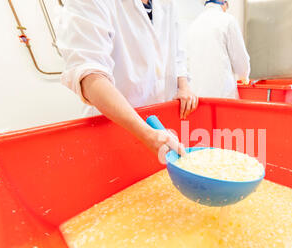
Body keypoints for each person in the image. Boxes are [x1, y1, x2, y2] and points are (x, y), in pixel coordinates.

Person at [57, 0, 198, 157]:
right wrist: (146, 133)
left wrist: (183, 86)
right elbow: (90, 74)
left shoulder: (166, 4)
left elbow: (177, 52)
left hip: (160, 123)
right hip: (114, 127)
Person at [187, 0, 250, 99]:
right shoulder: (228, 20)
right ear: (223, 3)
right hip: (222, 96)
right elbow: (240, 60)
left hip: (196, 97)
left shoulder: (193, 24)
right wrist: (244, 76)